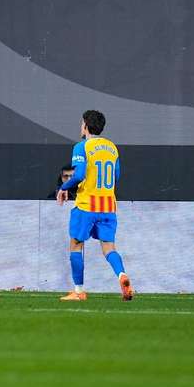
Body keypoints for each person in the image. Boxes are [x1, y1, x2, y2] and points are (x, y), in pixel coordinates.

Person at [57, 110, 133, 301]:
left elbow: (80, 174)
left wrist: (64, 187)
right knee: (109, 247)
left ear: (85, 125)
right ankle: (122, 275)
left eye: (81, 123)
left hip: (86, 205)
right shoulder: (112, 147)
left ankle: (79, 291)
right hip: (108, 206)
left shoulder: (81, 147)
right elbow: (116, 176)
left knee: (75, 244)